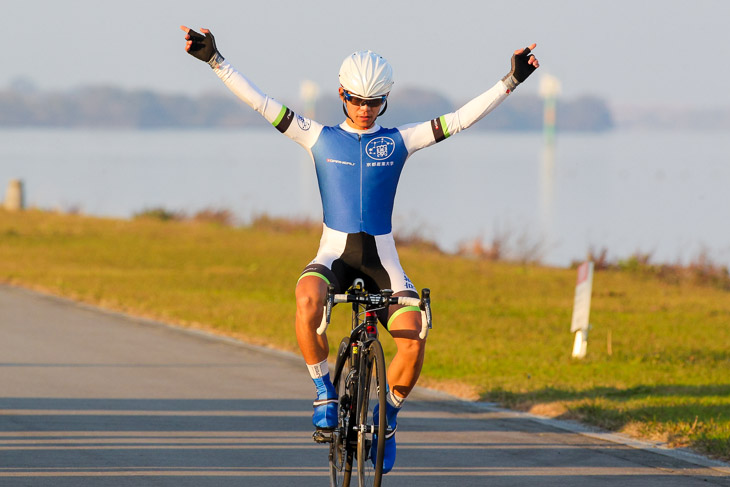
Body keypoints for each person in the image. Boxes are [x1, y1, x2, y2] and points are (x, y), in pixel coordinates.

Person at [180, 25, 539, 474]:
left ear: (385, 100)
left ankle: (386, 422)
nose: (365, 110)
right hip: (334, 257)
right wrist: (216, 60)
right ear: (341, 95)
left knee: (414, 339)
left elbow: (461, 118)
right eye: (356, 100)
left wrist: (511, 81)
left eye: (374, 102)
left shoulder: (400, 141)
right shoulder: (317, 135)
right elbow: (259, 101)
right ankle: (325, 392)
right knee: (307, 299)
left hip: (383, 264)